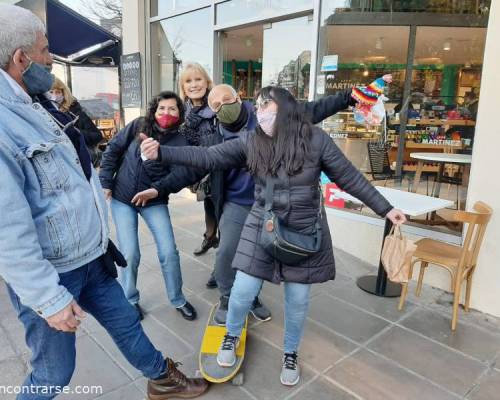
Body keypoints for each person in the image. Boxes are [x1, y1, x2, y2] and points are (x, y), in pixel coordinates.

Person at [0, 5, 208, 399]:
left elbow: (79, 167)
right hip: (55, 273)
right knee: (53, 373)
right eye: (45, 51)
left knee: (127, 322)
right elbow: (6, 230)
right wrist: (49, 298)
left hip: (91, 257)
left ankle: (161, 378)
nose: (50, 60)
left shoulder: (37, 103)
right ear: (21, 58)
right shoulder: (4, 123)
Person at [141, 86, 406, 387]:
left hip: (304, 228)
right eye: (259, 106)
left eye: (266, 105)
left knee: (297, 300)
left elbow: (348, 176)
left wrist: (385, 208)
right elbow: (208, 156)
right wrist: (162, 151)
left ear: (285, 109)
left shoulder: (316, 140)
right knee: (241, 292)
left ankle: (290, 352)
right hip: (263, 222)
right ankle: (231, 335)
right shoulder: (252, 140)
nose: (259, 110)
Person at [199, 83, 375, 325]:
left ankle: (253, 299)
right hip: (236, 202)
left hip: (271, 203)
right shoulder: (214, 134)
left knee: (265, 252)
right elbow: (202, 159)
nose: (222, 107)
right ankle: (228, 298)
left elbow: (314, 109)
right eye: (216, 106)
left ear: (239, 97)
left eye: (226, 100)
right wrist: (163, 179)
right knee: (227, 251)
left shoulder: (266, 112)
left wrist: (349, 97)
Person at [99, 91, 202, 321]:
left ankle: (178, 299)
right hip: (123, 198)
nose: (166, 113)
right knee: (130, 253)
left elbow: (182, 174)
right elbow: (113, 150)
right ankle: (130, 298)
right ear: (154, 110)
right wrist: (105, 181)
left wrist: (157, 189)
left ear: (179, 113)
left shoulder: (179, 141)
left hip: (153, 200)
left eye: (172, 109)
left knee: (168, 251)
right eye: (161, 108)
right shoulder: (138, 126)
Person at [178, 63, 219, 286]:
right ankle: (209, 237)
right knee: (209, 206)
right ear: (183, 87)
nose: (194, 85)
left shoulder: (216, 103)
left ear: (206, 82)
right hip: (200, 171)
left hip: (222, 168)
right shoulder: (181, 111)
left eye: (198, 79)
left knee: (223, 213)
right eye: (189, 81)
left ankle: (220, 267)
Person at [48, 77, 103, 167]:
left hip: (80, 161)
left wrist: (76, 132)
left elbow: (97, 136)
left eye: (58, 92)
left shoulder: (75, 112)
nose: (54, 95)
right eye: (50, 92)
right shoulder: (45, 113)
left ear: (64, 93)